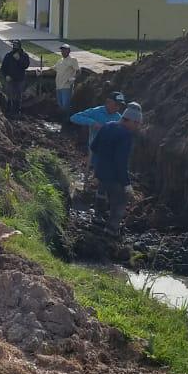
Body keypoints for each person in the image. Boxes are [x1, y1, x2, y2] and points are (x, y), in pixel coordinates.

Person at [90, 102, 142, 235]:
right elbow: (120, 162)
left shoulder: (107, 126)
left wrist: (99, 166)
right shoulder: (125, 135)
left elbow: (93, 147)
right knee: (121, 199)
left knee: (101, 192)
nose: (137, 126)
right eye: (136, 123)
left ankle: (97, 218)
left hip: (100, 172)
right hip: (113, 176)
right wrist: (126, 184)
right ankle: (112, 228)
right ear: (129, 120)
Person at [0, 40, 31, 115]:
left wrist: (19, 59)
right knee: (9, 95)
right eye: (14, 45)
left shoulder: (24, 55)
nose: (15, 47)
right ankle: (9, 111)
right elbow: (3, 68)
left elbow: (26, 65)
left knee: (18, 96)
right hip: (10, 79)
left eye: (16, 45)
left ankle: (17, 111)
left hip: (20, 79)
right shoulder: (8, 55)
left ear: (20, 46)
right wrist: (6, 75)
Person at [53, 44, 80, 111]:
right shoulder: (60, 61)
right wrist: (41, 71)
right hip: (58, 86)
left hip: (66, 86)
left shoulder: (73, 60)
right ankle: (61, 117)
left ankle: (67, 117)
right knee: (60, 105)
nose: (63, 52)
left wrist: (73, 78)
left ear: (69, 51)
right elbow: (53, 69)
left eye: (65, 50)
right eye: (62, 50)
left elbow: (78, 71)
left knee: (65, 105)